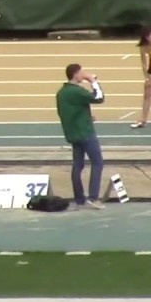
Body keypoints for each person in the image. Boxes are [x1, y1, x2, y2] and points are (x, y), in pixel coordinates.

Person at [55, 63, 106, 210]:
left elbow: (68, 111)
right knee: (97, 162)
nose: (83, 74)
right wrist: (93, 81)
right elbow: (99, 98)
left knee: (78, 165)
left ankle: (79, 199)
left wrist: (86, 116)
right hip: (85, 132)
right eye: (81, 72)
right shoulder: (76, 91)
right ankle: (93, 197)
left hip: (72, 133)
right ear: (75, 74)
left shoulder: (61, 92)